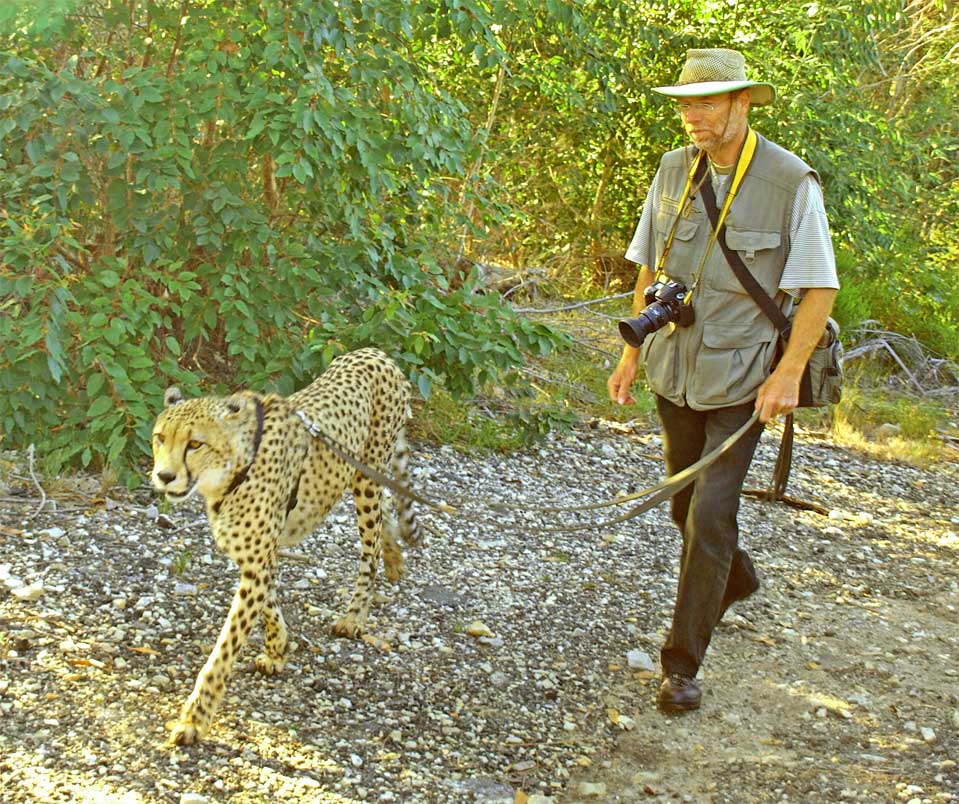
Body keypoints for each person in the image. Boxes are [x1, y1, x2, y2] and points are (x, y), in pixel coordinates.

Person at [607, 48, 839, 713]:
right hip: (674, 371)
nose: (692, 116)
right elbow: (647, 268)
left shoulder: (790, 181)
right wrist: (630, 354)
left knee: (710, 514)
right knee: (683, 507)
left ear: (742, 103)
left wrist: (787, 375)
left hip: (743, 377)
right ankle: (729, 581)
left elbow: (819, 286)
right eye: (685, 103)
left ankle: (679, 665)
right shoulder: (671, 170)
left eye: (706, 103)